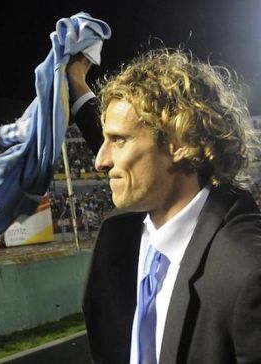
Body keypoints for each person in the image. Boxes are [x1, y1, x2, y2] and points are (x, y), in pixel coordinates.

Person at [67, 49, 261, 363]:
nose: (100, 161)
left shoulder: (246, 271)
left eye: (118, 140)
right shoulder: (119, 235)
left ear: (181, 143)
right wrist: (75, 82)